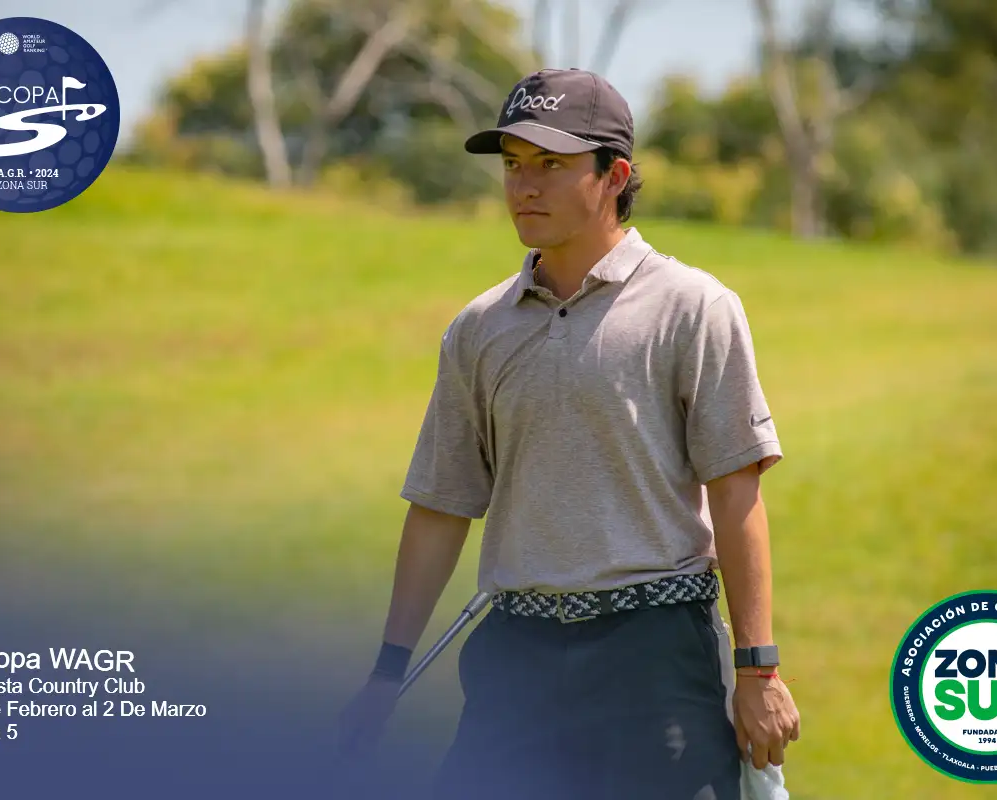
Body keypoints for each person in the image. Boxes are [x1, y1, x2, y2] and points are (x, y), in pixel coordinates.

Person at [336, 67, 800, 800]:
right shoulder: (478, 329)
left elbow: (736, 491)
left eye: (551, 165)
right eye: (513, 164)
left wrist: (758, 669)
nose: (524, 186)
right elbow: (440, 508)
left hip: (654, 653)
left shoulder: (694, 308)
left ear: (614, 175)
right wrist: (385, 675)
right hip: (514, 660)